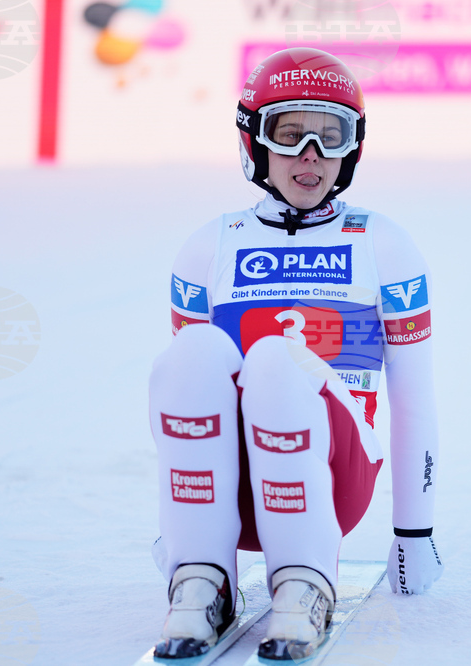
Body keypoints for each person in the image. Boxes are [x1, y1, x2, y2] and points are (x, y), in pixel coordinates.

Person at [148, 47, 443, 661]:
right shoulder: (210, 247)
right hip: (235, 495)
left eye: (330, 135)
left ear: (352, 149)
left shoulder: (383, 244)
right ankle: (201, 574)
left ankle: (306, 580)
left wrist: (415, 531)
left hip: (337, 483)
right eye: (288, 133)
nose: (310, 156)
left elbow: (413, 396)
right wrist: (179, 530)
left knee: (279, 361)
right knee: (195, 352)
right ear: (253, 142)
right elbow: (189, 397)